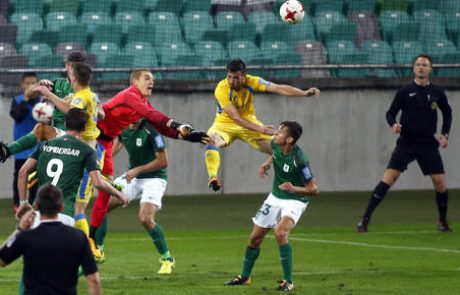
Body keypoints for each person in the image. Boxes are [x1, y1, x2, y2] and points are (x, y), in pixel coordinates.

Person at [88, 68, 209, 248]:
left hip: (106, 144)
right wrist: (178, 124)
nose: (151, 82)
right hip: (92, 138)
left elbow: (162, 127)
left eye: (152, 79)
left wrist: (190, 137)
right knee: (82, 192)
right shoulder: (130, 96)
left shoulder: (143, 103)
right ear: (134, 82)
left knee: (104, 194)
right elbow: (153, 115)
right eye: (147, 78)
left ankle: (93, 243)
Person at [16, 108, 129, 261]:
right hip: (64, 213)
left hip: (38, 212)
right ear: (84, 128)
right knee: (60, 264)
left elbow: (23, 172)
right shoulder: (87, 151)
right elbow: (98, 182)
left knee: (35, 264)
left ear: (65, 123)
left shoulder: (45, 145)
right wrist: (119, 194)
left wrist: (23, 202)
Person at [357, 54, 453, 233]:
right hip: (407, 143)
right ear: (413, 68)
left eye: (424, 65)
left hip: (428, 145)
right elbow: (390, 113)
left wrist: (445, 135)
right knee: (389, 178)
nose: (421, 67)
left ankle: (442, 221)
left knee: (440, 183)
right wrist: (394, 124)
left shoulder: (437, 92)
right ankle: (365, 219)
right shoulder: (405, 90)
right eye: (418, 64)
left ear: (430, 68)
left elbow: (447, 113)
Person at [224, 121, 319, 291]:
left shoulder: (300, 159)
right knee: (254, 238)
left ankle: (288, 281)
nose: (276, 133)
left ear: (289, 139)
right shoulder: (276, 145)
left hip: (295, 199)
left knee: (280, 233)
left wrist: (293, 188)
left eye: (281, 132)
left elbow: (314, 189)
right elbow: (276, 154)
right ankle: (244, 277)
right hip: (275, 197)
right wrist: (267, 163)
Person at [205, 59, 320, 191]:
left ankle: (307, 183)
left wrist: (304, 93)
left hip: (249, 121)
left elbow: (278, 88)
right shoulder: (221, 88)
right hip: (224, 123)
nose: (231, 81)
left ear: (244, 76)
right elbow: (235, 117)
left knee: (284, 150)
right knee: (211, 140)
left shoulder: (253, 81)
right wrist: (260, 128)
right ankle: (213, 177)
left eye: (236, 78)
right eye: (229, 77)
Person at [31, 62, 104, 240]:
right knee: (77, 207)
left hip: (87, 153)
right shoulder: (91, 96)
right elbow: (102, 114)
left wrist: (48, 94)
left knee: (78, 209)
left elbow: (70, 112)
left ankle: (86, 253)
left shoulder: (81, 97)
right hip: (87, 151)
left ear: (73, 77)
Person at [98, 119, 175, 274]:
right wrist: (100, 161)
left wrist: (137, 170)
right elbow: (117, 144)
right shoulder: (123, 127)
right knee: (101, 207)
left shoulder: (152, 131)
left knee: (145, 219)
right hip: (132, 177)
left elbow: (163, 161)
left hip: (155, 178)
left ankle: (167, 259)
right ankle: (98, 252)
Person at [0, 184, 102, 295]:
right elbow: (94, 281)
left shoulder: (26, 237)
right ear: (61, 207)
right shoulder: (79, 237)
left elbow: (2, 260)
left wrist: (20, 229)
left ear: (37, 207)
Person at [0, 52, 86, 163]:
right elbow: (28, 94)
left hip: (73, 135)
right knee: (25, 172)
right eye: (73, 67)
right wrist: (38, 85)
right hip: (56, 135)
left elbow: (71, 111)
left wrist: (49, 95)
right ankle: (6, 152)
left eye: (79, 67)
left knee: (41, 129)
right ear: (67, 66)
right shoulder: (58, 84)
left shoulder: (83, 90)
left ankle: (8, 150)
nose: (75, 70)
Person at [9, 72, 40, 211]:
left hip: (37, 146)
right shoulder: (18, 100)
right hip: (21, 147)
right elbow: (16, 115)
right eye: (27, 83)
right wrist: (26, 98)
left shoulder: (42, 102)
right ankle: (18, 203)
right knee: (19, 175)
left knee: (35, 177)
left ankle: (33, 203)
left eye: (33, 83)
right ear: (22, 85)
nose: (30, 86)